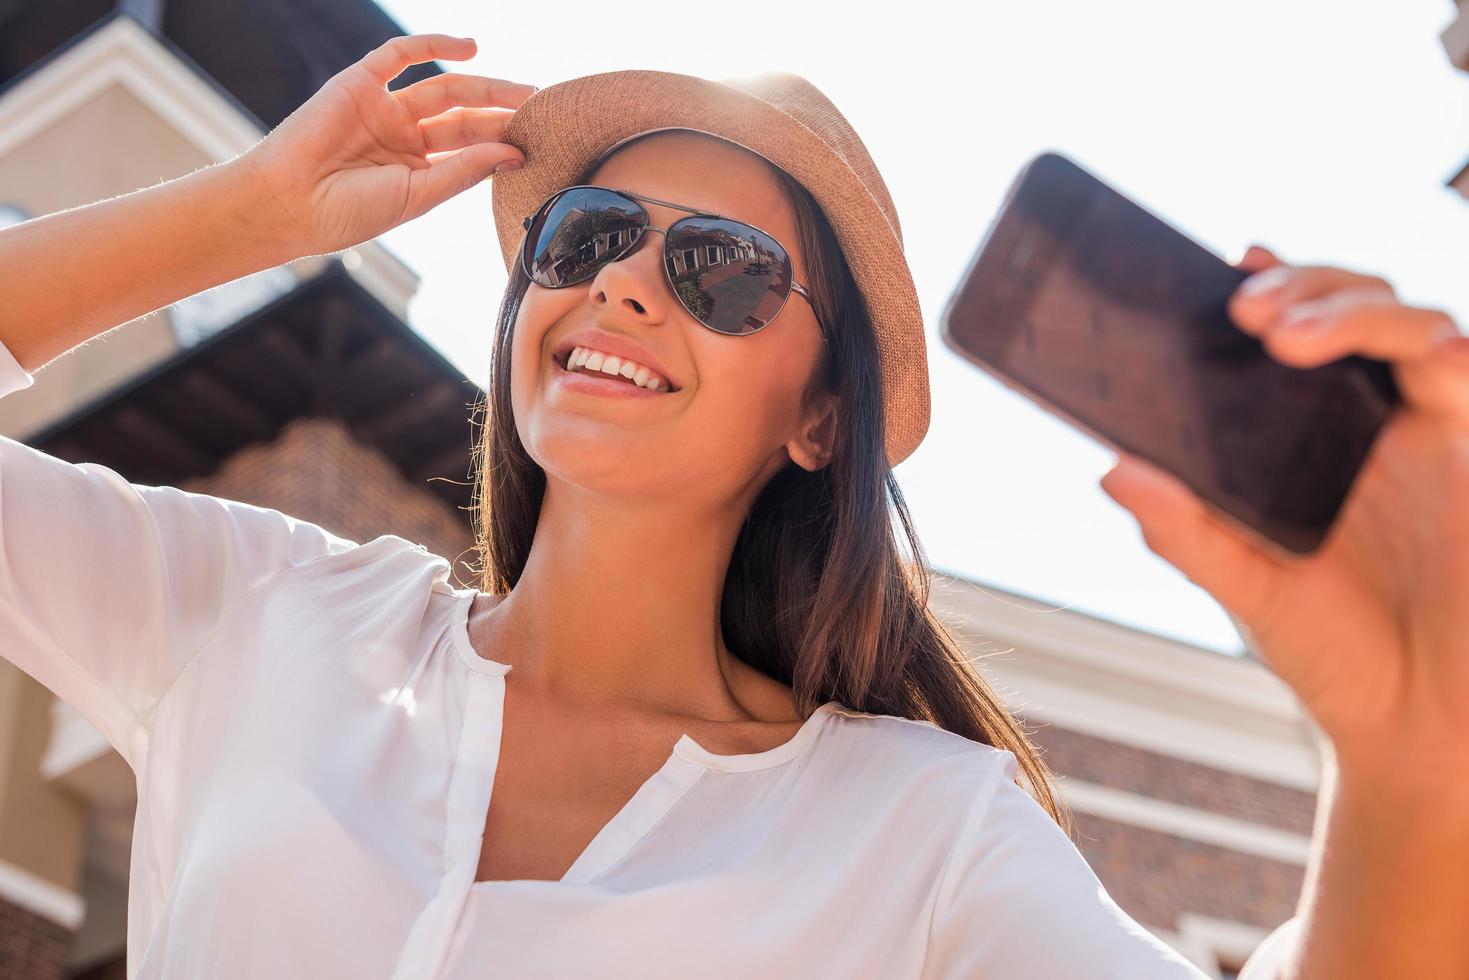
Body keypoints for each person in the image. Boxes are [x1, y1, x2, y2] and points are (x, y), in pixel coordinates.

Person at [0, 31, 1465, 980]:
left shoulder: (920, 832)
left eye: (723, 270)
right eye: (585, 239)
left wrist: (1406, 755)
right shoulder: (260, 614)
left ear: (822, 417)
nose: (624, 283)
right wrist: (244, 215)